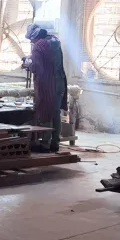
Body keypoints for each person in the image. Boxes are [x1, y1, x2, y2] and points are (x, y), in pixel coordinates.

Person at [23, 22, 67, 152]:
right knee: (55, 113)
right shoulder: (54, 40)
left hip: (47, 85)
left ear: (34, 36)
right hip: (59, 82)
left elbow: (37, 67)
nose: (31, 41)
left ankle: (45, 144)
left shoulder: (38, 46)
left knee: (45, 112)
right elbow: (49, 61)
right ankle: (55, 144)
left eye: (31, 39)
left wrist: (28, 65)